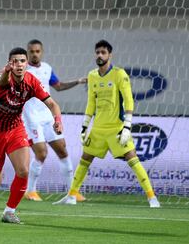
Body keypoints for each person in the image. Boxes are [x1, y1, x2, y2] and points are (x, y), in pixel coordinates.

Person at [53, 40, 160, 208]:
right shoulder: (92, 76)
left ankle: (152, 197)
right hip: (98, 128)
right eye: (97, 52)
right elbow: (91, 103)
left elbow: (129, 100)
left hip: (117, 127)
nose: (100, 55)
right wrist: (85, 126)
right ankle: (72, 195)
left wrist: (127, 126)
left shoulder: (119, 74)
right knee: (85, 158)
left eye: (103, 52)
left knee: (132, 158)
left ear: (110, 55)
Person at [0, 47, 63, 224]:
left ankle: (9, 211)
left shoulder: (31, 82)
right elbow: (1, 80)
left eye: (22, 61)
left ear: (27, 64)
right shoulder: (4, 79)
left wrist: (57, 120)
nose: (19, 65)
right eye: (14, 61)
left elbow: (52, 104)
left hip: (15, 128)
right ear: (9, 64)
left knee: (23, 170)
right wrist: (5, 72)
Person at [23, 39, 87, 202]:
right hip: (31, 118)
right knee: (42, 153)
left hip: (47, 116)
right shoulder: (23, 70)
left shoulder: (47, 69)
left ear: (41, 52)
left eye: (37, 51)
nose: (35, 54)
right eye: (31, 51)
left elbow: (58, 86)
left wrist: (78, 81)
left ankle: (73, 191)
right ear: (27, 52)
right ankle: (30, 191)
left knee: (62, 150)